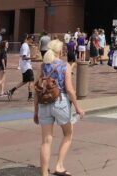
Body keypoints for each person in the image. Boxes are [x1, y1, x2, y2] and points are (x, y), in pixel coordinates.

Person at [34, 39, 84, 176]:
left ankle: (44, 173)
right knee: (68, 134)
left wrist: (36, 111)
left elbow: (37, 88)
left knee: (46, 141)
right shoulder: (64, 65)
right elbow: (69, 89)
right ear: (60, 51)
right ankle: (59, 166)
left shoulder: (43, 66)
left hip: (44, 103)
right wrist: (77, 107)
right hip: (60, 102)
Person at [8, 34, 36, 101]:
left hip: (24, 66)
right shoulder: (25, 46)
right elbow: (24, 57)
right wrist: (32, 57)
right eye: (32, 40)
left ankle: (11, 91)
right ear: (28, 39)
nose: (32, 42)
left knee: (25, 81)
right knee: (31, 80)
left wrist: (32, 46)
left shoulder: (25, 45)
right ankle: (30, 97)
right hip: (27, 66)